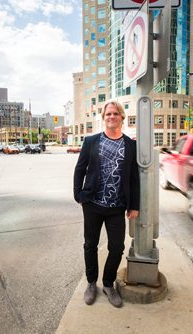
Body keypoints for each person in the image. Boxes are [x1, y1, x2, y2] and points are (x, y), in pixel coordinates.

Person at [73, 100, 140, 308]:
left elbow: (133, 178)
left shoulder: (130, 145)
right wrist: (79, 195)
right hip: (92, 204)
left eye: (115, 114)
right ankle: (91, 283)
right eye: (108, 114)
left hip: (117, 207)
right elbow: (80, 169)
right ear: (104, 118)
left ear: (122, 117)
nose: (112, 117)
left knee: (117, 247)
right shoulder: (92, 141)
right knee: (90, 245)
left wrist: (134, 205)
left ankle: (108, 284)